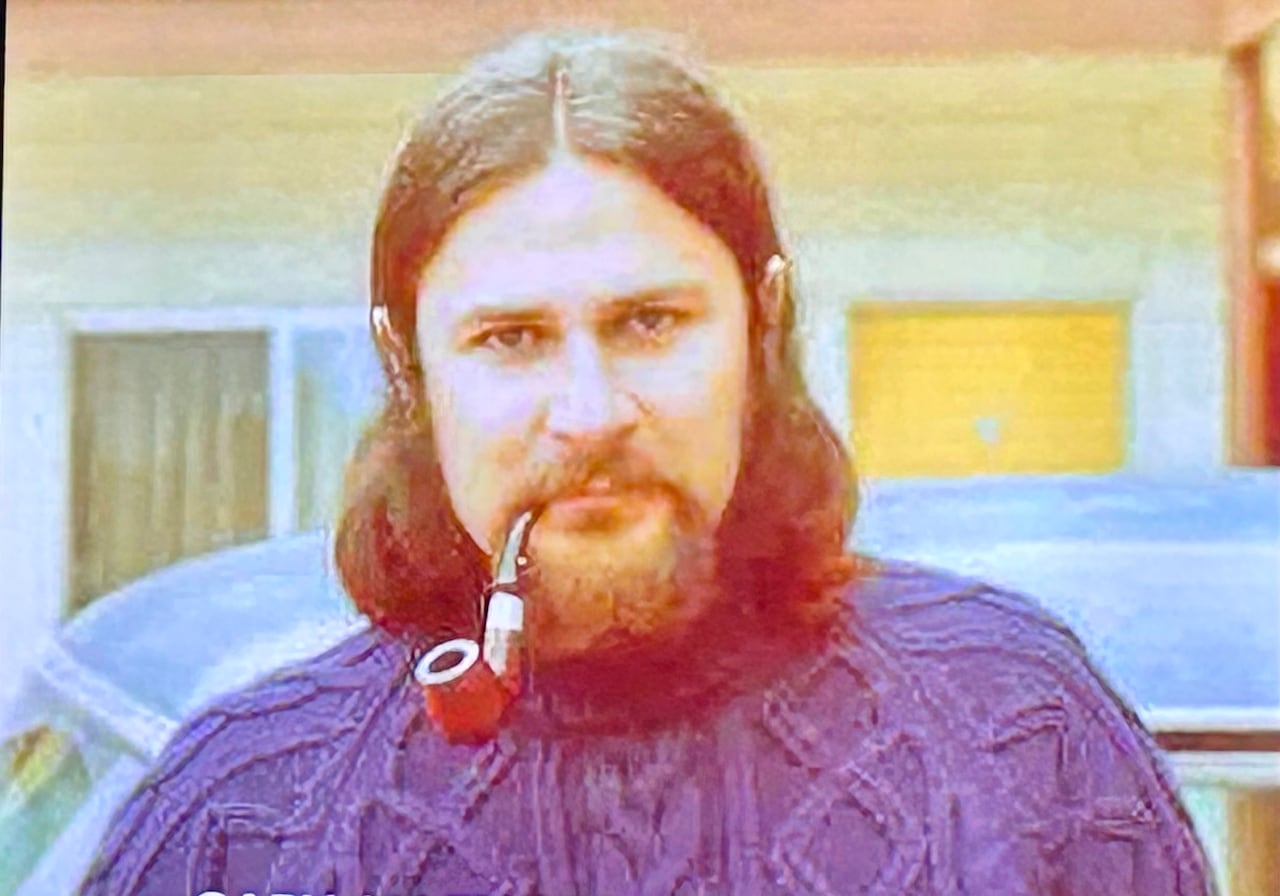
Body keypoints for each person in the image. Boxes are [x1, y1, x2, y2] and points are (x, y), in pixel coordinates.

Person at [77, 29, 1215, 896]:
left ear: (761, 325)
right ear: (407, 366)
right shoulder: (243, 815)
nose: (587, 412)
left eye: (651, 322)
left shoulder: (1015, 722)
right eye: (509, 338)